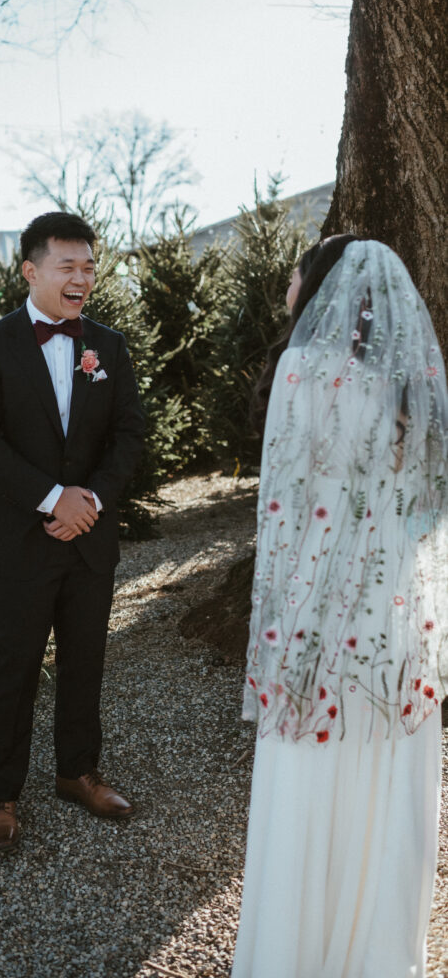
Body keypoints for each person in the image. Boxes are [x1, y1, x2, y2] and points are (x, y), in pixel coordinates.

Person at [231, 237, 448, 977]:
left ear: (319, 288)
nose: (288, 284)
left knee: (310, 766)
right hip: (391, 613)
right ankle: (379, 955)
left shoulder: (302, 369)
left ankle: (293, 950)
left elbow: (284, 508)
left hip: (319, 602)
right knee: (383, 763)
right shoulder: (407, 383)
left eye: (295, 272)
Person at [0, 211, 144, 851]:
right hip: (19, 539)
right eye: (68, 266)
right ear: (32, 270)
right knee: (14, 667)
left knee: (86, 661)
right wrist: (51, 498)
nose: (81, 278)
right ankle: (0, 793)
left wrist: (87, 500)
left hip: (89, 536)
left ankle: (77, 773)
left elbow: (128, 435)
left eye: (89, 266)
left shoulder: (109, 348)